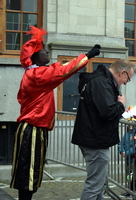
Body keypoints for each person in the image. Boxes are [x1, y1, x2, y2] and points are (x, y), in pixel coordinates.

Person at [10, 26, 100, 200]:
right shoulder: (37, 74)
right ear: (35, 57)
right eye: (43, 50)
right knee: (28, 171)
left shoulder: (33, 74)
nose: (46, 52)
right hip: (33, 129)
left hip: (33, 128)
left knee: (31, 169)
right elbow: (62, 71)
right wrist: (87, 56)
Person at [71, 59, 135, 200]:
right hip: (96, 139)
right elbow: (108, 112)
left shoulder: (99, 80)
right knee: (95, 184)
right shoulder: (101, 82)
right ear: (122, 73)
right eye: (128, 79)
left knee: (99, 183)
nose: (125, 83)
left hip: (93, 137)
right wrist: (120, 104)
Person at [118, 118, 136, 196]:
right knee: (128, 176)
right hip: (128, 160)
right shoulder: (127, 134)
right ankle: (129, 190)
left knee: (134, 176)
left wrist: (127, 153)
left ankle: (135, 191)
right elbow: (121, 143)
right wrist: (121, 151)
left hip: (134, 159)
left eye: (131, 123)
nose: (129, 125)